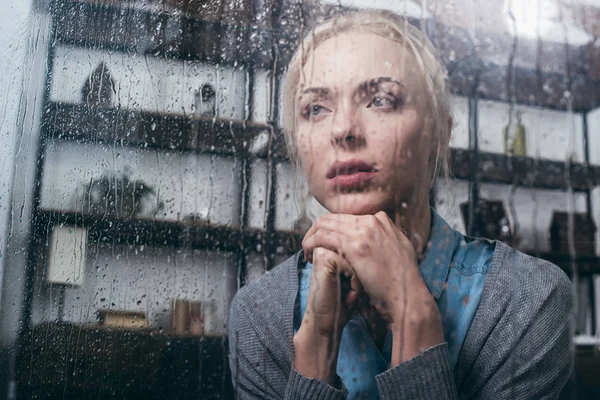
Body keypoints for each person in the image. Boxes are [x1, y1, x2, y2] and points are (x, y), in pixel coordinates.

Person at [228, 9, 573, 399]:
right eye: (316, 109)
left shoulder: (525, 296)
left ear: (439, 132)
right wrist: (318, 346)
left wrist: (413, 315)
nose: (343, 130)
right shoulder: (260, 312)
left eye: (380, 100)